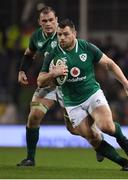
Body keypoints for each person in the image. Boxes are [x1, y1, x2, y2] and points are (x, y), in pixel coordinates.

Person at [37, 19, 128, 171]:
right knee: (93, 138)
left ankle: (122, 139)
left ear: (74, 34)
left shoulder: (86, 47)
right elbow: (40, 81)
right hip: (72, 103)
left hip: (92, 94)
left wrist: (126, 83)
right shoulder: (52, 54)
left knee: (107, 127)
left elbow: (109, 64)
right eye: (59, 35)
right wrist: (53, 73)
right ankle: (124, 163)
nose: (62, 38)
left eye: (66, 34)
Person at [17, 6, 103, 166]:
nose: (48, 23)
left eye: (51, 20)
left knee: (73, 129)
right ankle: (30, 158)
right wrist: (22, 70)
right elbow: (29, 53)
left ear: (56, 20)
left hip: (68, 85)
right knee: (34, 116)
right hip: (49, 82)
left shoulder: (64, 35)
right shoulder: (36, 36)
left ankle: (98, 141)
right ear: (39, 22)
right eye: (44, 21)